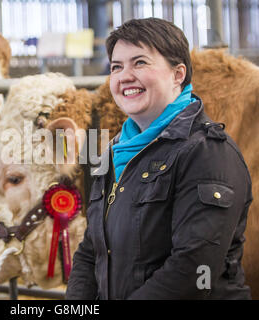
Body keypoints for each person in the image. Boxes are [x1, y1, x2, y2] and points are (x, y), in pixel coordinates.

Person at [66, 17, 252, 300]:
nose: (125, 76)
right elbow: (91, 251)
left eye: (140, 63)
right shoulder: (114, 152)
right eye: (117, 67)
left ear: (178, 74)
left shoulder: (207, 153)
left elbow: (193, 269)